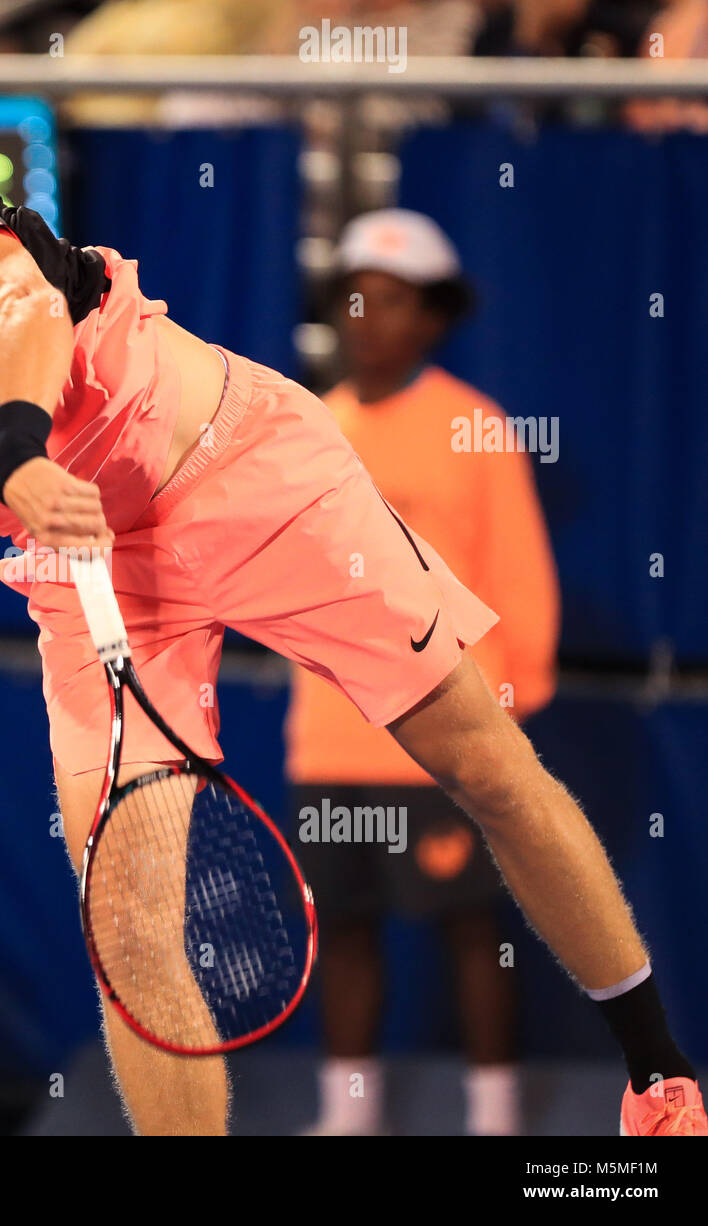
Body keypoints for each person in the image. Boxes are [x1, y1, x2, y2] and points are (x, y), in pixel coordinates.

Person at [0, 60, 706, 1137]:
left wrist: (18, 448)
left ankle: (659, 1074)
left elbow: (19, 306)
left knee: (486, 764)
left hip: (244, 474)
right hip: (90, 573)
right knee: (124, 916)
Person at [288, 210, 559, 1135]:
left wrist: (503, 723)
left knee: (474, 932)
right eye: (355, 296)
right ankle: (348, 1117)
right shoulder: (307, 428)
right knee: (346, 937)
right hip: (331, 740)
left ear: (432, 318)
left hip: (448, 741)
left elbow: (521, 579)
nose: (369, 315)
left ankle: (497, 1119)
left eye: (394, 300)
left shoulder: (475, 426)